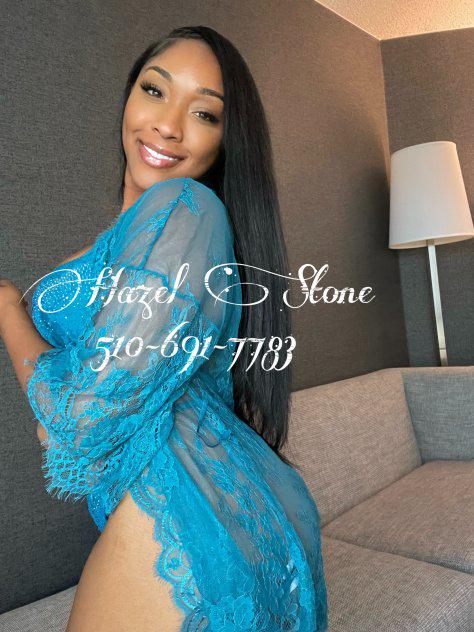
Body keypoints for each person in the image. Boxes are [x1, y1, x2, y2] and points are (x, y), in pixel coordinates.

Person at [0, 26, 328, 631]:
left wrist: (7, 308)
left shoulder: (185, 206)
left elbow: (79, 418)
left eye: (204, 113)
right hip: (217, 510)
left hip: (184, 515)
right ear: (129, 96)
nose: (169, 125)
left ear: (226, 140)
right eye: (155, 90)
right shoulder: (137, 239)